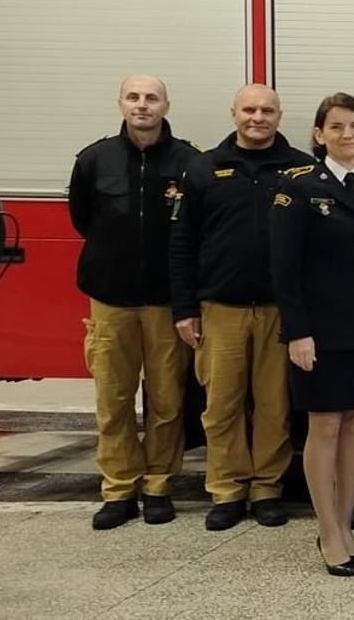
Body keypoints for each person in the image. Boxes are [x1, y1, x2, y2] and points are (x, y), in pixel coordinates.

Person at [170, 84, 315, 532]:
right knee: (221, 403)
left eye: (267, 110)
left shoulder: (300, 170)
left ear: (279, 115)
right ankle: (228, 488)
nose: (258, 117)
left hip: (279, 309)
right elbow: (182, 244)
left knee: (275, 403)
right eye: (249, 109)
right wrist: (184, 308)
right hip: (221, 307)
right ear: (233, 113)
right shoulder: (204, 168)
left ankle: (267, 488)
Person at [270, 92, 354, 576]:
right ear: (319, 134)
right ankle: (328, 530)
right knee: (325, 425)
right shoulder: (299, 185)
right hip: (319, 331)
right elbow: (284, 268)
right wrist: (297, 332)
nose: (349, 135)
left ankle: (346, 522)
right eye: (338, 127)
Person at [70, 75, 201, 530]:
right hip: (110, 298)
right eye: (134, 97)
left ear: (166, 105)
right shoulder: (93, 159)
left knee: (167, 398)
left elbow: (197, 229)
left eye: (151, 98)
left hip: (167, 301)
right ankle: (119, 487)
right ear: (120, 103)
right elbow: (83, 219)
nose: (142, 105)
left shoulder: (189, 162)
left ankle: (159, 484)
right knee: (114, 398)